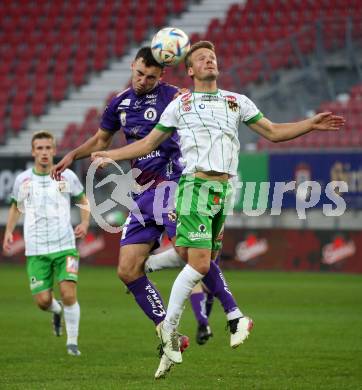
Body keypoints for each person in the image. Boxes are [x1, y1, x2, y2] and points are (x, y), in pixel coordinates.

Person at [90, 40, 345, 373]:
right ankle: (213, 321)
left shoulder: (236, 101)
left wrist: (309, 124)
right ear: (191, 70)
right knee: (198, 263)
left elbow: (273, 132)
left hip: (224, 192)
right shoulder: (180, 104)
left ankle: (155, 275)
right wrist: (110, 154)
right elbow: (148, 143)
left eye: (212, 57)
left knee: (196, 257)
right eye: (201, 58)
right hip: (194, 186)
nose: (209, 61)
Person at [52, 47, 236, 378]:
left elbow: (197, 108)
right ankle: (168, 331)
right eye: (140, 74)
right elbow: (100, 138)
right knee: (127, 270)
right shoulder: (119, 103)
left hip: (173, 183)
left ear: (161, 75)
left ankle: (232, 311)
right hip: (140, 191)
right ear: (133, 67)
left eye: (151, 76)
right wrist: (72, 156)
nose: (143, 81)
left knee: (187, 251)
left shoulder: (174, 96)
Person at [2, 131, 89, 356]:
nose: (44, 152)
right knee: (42, 301)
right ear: (33, 152)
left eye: (48, 148)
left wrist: (85, 223)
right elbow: (16, 206)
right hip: (37, 248)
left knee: (69, 293)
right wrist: (9, 231)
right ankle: (56, 310)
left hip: (65, 245)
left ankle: (72, 343)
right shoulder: (23, 179)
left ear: (54, 150)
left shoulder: (67, 176)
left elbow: (82, 199)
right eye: (39, 148)